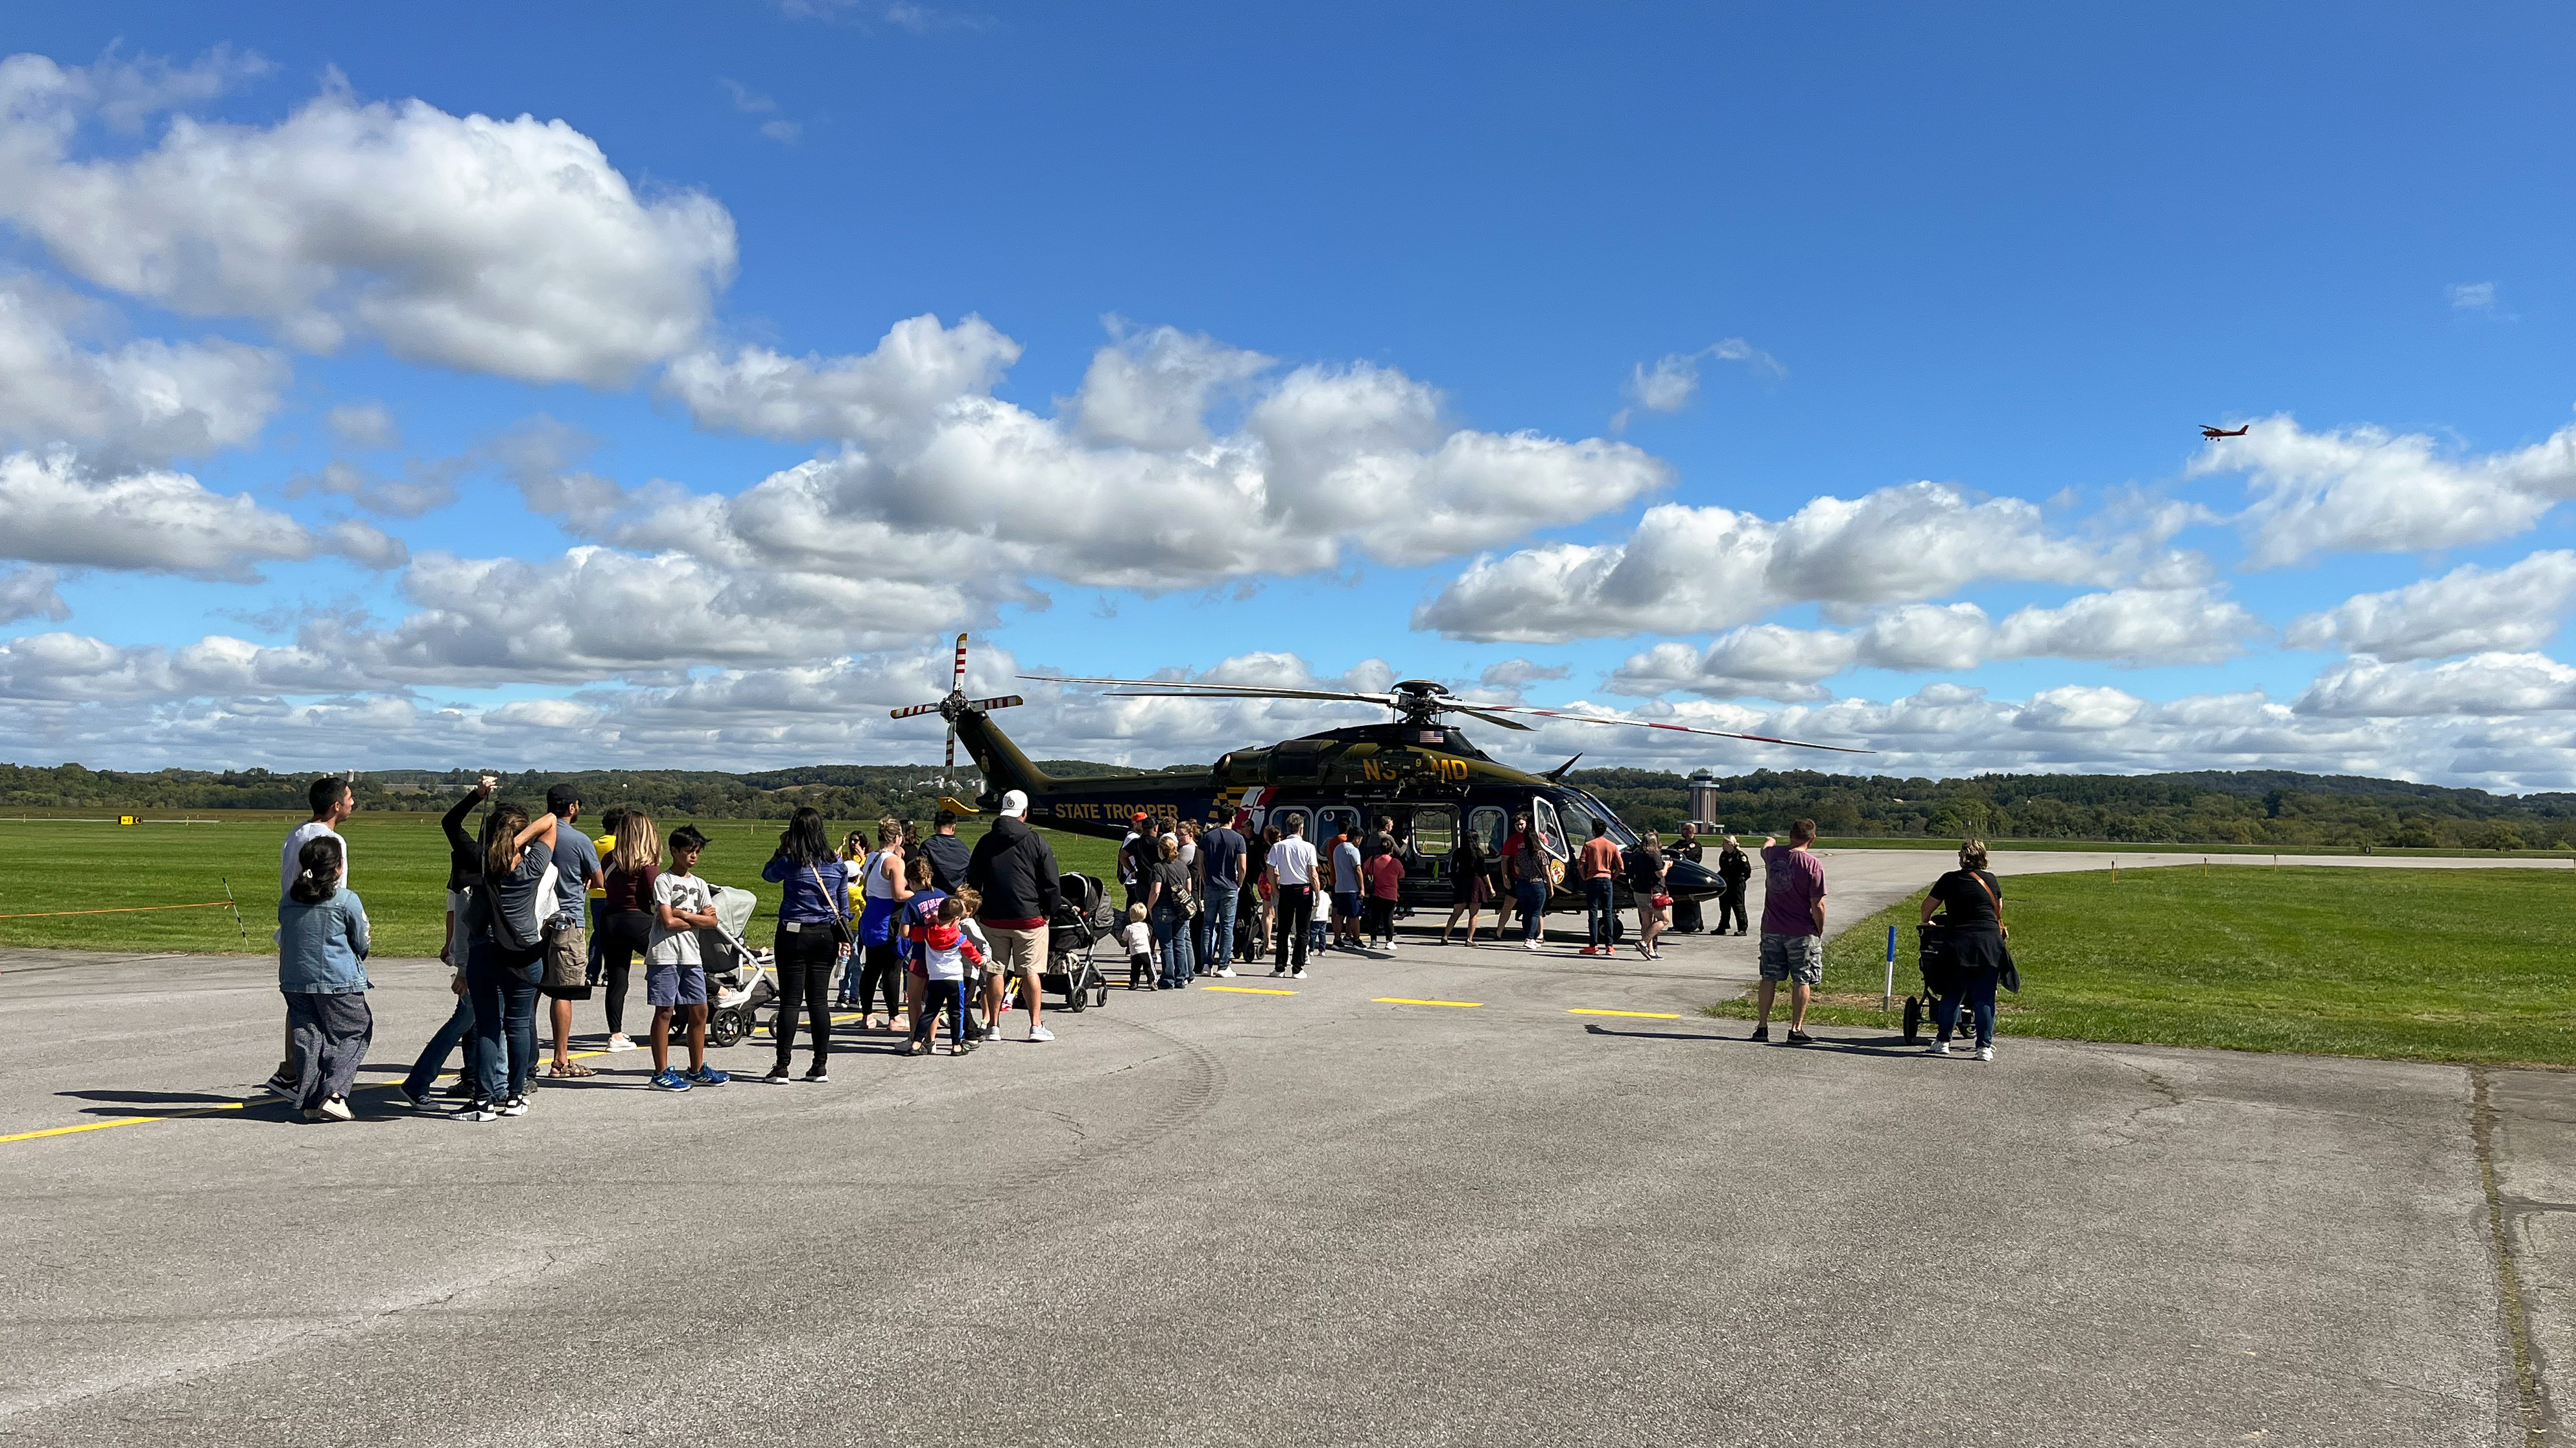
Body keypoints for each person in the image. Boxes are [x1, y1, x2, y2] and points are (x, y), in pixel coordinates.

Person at [459, 800, 561, 1120]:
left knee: (489, 1027)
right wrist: (520, 840)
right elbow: (551, 821)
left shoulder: (483, 865)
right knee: (518, 1027)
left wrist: (504, 841)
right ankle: (516, 1096)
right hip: (525, 951)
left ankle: (484, 1100)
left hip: (485, 950)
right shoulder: (532, 867)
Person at [403, 774, 493, 1109]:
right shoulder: (489, 860)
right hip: (478, 955)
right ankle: (420, 1080)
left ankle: (478, 1080)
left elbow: (451, 821)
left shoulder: (474, 855)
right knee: (467, 1020)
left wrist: (476, 795)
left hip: (474, 952)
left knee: (475, 1020)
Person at [266, 775, 355, 1099]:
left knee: (299, 1002)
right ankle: (314, 1078)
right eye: (348, 798)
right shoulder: (332, 843)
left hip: (293, 928)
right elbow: (336, 893)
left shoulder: (296, 834)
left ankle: (292, 1071)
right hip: (319, 932)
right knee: (327, 1007)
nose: (352, 803)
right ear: (336, 805)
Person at [278, 834, 371, 1123]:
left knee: (309, 1035)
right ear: (338, 868)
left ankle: (310, 1096)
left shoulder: (289, 899)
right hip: (337, 979)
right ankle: (334, 1094)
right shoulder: (345, 900)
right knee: (355, 1031)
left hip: (294, 978)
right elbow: (361, 940)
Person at [760, 806, 851, 1084]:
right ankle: (819, 1065)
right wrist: (845, 939)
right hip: (825, 934)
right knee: (819, 1001)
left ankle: (782, 1066)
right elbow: (843, 906)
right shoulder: (836, 863)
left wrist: (781, 849)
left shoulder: (791, 862)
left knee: (791, 1001)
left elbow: (768, 875)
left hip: (793, 932)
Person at [966, 788, 1062, 1042]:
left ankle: (994, 1026)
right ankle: (1035, 1025)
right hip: (1029, 917)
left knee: (995, 970)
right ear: (1024, 813)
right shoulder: (1037, 841)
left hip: (993, 917)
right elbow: (1051, 882)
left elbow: (973, 879)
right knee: (1031, 971)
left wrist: (978, 910)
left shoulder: (986, 841)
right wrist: (1048, 911)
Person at [647, 824, 728, 1089]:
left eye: (697, 852)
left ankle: (696, 1068)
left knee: (700, 1009)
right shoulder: (664, 881)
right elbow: (667, 922)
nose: (693, 856)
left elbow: (713, 922)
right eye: (688, 851)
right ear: (674, 851)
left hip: (691, 955)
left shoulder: (700, 884)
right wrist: (695, 920)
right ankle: (660, 1073)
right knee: (665, 1011)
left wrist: (685, 915)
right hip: (666, 955)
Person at [536, 784, 604, 1081]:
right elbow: (599, 879)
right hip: (568, 921)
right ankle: (561, 1060)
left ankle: (522, 1057)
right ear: (573, 808)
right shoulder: (579, 840)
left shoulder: (534, 835)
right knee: (563, 992)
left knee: (531, 990)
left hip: (533, 921)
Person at [1920, 839, 2007, 1062]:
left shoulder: (1949, 880)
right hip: (1989, 945)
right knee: (1985, 998)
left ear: (1961, 857)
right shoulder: (1991, 880)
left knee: (1952, 994)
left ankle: (1942, 1041)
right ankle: (1984, 1047)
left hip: (1959, 944)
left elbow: (1927, 907)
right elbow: (1998, 907)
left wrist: (1927, 921)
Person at [593, 810, 661, 1061]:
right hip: (638, 919)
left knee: (617, 978)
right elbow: (656, 895)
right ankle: (718, 991)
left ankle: (616, 1034)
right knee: (674, 959)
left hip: (611, 918)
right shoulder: (647, 862)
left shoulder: (610, 858)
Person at [1751, 819, 1826, 1045]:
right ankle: (1796, 1029)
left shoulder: (1774, 856)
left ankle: (1762, 1026)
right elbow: (1818, 904)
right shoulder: (1813, 865)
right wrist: (1819, 928)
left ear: (1790, 835)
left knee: (1769, 977)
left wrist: (1771, 840)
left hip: (1772, 928)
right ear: (1811, 839)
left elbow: (1765, 847)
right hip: (1801, 931)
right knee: (1801, 979)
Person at [911, 891, 987, 1057]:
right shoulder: (958, 936)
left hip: (935, 978)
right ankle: (957, 1046)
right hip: (954, 979)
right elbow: (972, 952)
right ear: (955, 920)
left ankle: (916, 1043)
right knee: (956, 1012)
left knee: (930, 1011)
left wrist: (929, 922)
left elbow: (913, 934)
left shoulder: (928, 933)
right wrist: (980, 961)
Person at [854, 819, 910, 1032]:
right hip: (888, 919)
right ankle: (894, 1017)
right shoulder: (894, 862)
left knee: (871, 968)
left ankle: (867, 1015)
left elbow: (868, 890)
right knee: (892, 969)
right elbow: (898, 894)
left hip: (870, 916)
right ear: (897, 838)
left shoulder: (871, 858)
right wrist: (921, 893)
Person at [584, 804, 627, 1036]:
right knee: (613, 939)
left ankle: (591, 972)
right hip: (612, 895)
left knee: (597, 935)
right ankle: (610, 972)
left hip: (596, 896)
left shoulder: (595, 844)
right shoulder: (616, 846)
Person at [1266, 815, 1318, 979]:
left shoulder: (1278, 846)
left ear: (1288, 828)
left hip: (1286, 889)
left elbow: (1270, 870)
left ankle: (1280, 967)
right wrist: (1317, 893)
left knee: (1283, 929)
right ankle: (1298, 968)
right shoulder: (1309, 847)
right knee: (1303, 930)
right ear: (1301, 829)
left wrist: (1275, 889)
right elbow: (1313, 874)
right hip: (1304, 889)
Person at [1195, 813, 1247, 977]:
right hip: (1229, 886)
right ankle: (1224, 965)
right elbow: (1243, 866)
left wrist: (1204, 880)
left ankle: (1206, 963)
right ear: (1232, 818)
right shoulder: (1238, 839)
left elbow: (1200, 861)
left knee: (1208, 925)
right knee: (1227, 926)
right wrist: (1239, 884)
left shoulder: (1208, 837)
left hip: (1211, 885)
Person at [1146, 834, 1196, 988]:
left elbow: (1156, 890)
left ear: (1161, 850)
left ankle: (1168, 978)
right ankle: (1181, 978)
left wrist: (1149, 907)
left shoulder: (1158, 867)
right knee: (1180, 943)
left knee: (1166, 944)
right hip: (1180, 909)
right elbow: (1189, 887)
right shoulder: (1182, 866)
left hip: (1163, 908)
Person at [834, 830, 871, 1008]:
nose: (854, 843)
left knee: (845, 962)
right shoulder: (857, 892)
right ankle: (854, 995)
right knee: (856, 964)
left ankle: (843, 994)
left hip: (843, 928)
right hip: (856, 928)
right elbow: (865, 905)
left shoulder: (840, 891)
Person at [1502, 813, 1551, 952]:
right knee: (1536, 912)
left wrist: (1522, 874)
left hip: (1522, 883)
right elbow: (1546, 872)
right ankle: (1530, 938)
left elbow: (1517, 869)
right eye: (1517, 824)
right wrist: (1551, 887)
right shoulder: (1541, 854)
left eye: (1521, 824)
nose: (1519, 827)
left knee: (1527, 912)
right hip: (1536, 884)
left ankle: (1530, 935)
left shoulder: (1520, 854)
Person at [1440, 827, 1496, 946]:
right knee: (1473, 914)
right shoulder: (1479, 853)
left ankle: (1445, 936)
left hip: (1461, 882)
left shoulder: (1458, 852)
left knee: (1456, 912)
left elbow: (1453, 869)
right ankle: (1469, 939)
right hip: (1476, 883)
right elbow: (1484, 872)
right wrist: (1491, 888)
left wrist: (1455, 881)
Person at [1576, 818, 1622, 957]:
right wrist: (1613, 876)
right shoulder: (1612, 845)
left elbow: (1581, 864)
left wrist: (1584, 876)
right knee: (1608, 912)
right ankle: (1609, 946)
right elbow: (1620, 866)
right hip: (1607, 879)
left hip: (1592, 879)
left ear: (1593, 831)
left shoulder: (1589, 845)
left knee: (1593, 912)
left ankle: (1593, 945)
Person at [1627, 830, 1670, 960]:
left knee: (1647, 922)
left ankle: (1651, 951)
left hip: (1639, 891)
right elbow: (1660, 874)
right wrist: (1667, 866)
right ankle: (1643, 943)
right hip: (1653, 892)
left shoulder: (1637, 855)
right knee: (1664, 919)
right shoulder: (1654, 855)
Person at [1364, 841, 1403, 951]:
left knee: (1375, 919)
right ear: (1391, 850)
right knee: (1388, 918)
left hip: (1376, 894)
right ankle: (1389, 941)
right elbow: (1402, 874)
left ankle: (1373, 942)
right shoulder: (1395, 862)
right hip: (1391, 895)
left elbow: (1364, 870)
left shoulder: (1372, 860)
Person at [1330, 831, 1364, 953]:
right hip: (1352, 888)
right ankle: (1356, 940)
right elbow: (1358, 870)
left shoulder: (1337, 849)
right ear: (1357, 838)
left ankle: (1337, 939)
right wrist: (1362, 888)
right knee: (1354, 916)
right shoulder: (1353, 850)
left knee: (1340, 914)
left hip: (1339, 887)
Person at [1668, 824, 1707, 934]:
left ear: (1690, 831)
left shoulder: (1696, 845)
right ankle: (1678, 924)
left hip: (1691, 876)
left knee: (1692, 901)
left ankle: (1698, 924)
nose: (1682, 831)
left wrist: (1681, 851)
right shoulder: (1679, 843)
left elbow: (1689, 857)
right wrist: (1681, 850)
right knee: (1678, 901)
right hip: (1679, 877)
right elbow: (1671, 851)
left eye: (1684, 829)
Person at [923, 808, 972, 893]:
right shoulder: (964, 848)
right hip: (959, 896)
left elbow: (919, 871)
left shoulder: (927, 846)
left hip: (935, 894)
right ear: (953, 827)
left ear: (935, 826)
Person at [1716, 835, 1753, 936]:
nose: (1722, 845)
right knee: (1724, 906)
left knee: (1738, 906)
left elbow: (1747, 872)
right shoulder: (1724, 855)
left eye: (1724, 843)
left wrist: (1739, 881)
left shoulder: (1740, 856)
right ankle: (1722, 927)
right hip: (1726, 884)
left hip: (1737, 885)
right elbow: (1723, 869)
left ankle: (1742, 928)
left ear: (1729, 844)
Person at [1120, 903, 1153, 989]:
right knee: (1148, 967)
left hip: (1135, 952)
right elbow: (1148, 935)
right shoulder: (1145, 926)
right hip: (1145, 951)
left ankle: (1134, 983)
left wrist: (1124, 941)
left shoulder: (1129, 928)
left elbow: (1124, 938)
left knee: (1135, 969)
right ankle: (1151, 982)